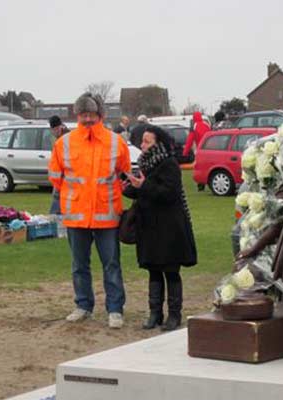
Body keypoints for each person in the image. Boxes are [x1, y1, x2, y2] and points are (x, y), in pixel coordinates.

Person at [48, 93, 131, 328]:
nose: (86, 119)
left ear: (100, 115)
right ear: (77, 116)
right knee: (79, 265)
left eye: (91, 114)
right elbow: (55, 177)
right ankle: (83, 305)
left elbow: (124, 171)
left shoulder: (116, 142)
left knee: (112, 264)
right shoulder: (64, 143)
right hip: (76, 216)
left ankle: (115, 309)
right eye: (82, 114)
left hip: (106, 215)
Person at [123, 126, 197, 331]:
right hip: (148, 225)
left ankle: (174, 315)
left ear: (159, 143)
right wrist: (129, 187)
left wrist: (143, 186)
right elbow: (141, 190)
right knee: (153, 271)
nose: (143, 145)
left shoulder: (169, 164)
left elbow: (168, 193)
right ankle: (155, 313)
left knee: (171, 271)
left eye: (147, 141)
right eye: (142, 141)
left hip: (169, 226)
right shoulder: (144, 164)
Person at [48, 116, 70, 215]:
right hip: (63, 178)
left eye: (55, 129)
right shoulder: (64, 137)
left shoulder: (64, 140)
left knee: (57, 205)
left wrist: (57, 183)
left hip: (64, 179)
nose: (53, 132)